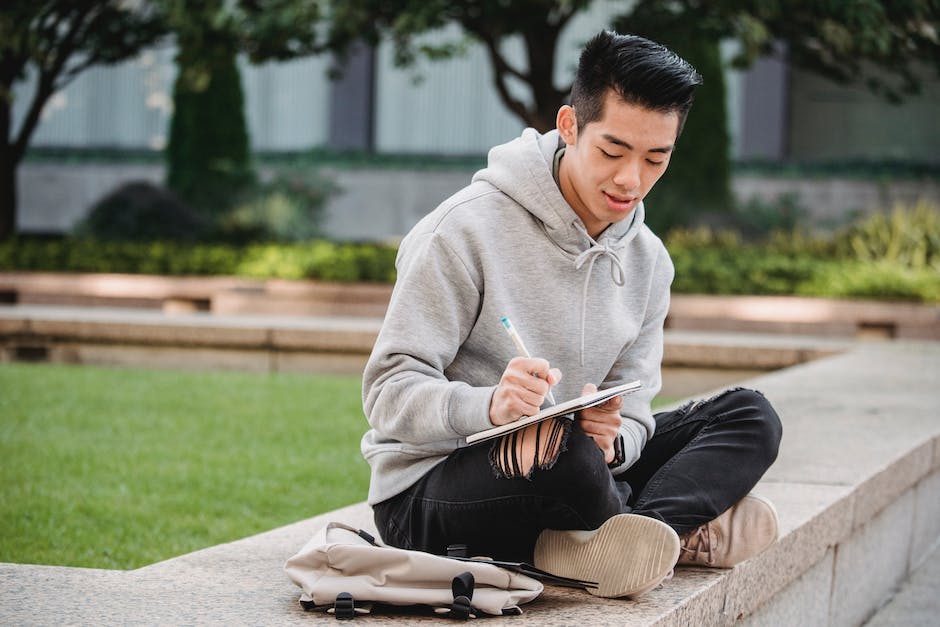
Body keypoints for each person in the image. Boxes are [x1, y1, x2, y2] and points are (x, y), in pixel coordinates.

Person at [360, 30, 782, 599]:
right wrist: (490, 406)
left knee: (749, 416)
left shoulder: (649, 261)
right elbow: (387, 393)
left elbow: (634, 409)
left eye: (656, 158)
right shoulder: (462, 231)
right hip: (431, 491)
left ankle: (625, 538)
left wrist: (619, 441)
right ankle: (668, 532)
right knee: (566, 452)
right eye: (612, 152)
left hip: (580, 465)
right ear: (568, 126)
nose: (631, 180)